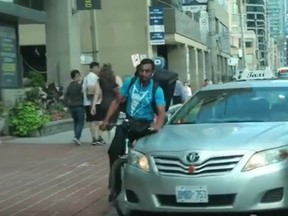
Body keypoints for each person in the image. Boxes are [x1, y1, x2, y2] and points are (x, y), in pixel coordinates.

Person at [100, 58, 166, 199]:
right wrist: (106, 120)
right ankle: (115, 187)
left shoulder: (156, 89)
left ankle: (148, 187)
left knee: (145, 158)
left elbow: (161, 113)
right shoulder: (130, 83)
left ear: (152, 73)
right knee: (113, 151)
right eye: (141, 70)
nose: (144, 73)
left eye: (147, 71)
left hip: (145, 126)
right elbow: (117, 101)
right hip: (128, 122)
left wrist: (157, 126)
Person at [91, 64, 119, 142]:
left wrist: (93, 105)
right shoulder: (116, 78)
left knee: (106, 122)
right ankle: (114, 140)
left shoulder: (99, 80)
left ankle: (110, 140)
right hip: (114, 103)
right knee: (113, 123)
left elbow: (96, 93)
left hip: (104, 103)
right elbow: (122, 89)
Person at [82, 61, 104, 145]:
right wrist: (93, 104)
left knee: (92, 120)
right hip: (95, 102)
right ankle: (98, 138)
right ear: (93, 68)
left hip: (88, 103)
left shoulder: (86, 78)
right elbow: (92, 90)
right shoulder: (92, 77)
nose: (98, 69)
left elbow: (83, 90)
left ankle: (95, 138)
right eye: (97, 68)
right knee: (98, 120)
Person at [63, 69, 84, 145]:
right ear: (76, 76)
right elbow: (82, 95)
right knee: (80, 122)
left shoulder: (69, 86)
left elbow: (66, 96)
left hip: (72, 106)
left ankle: (76, 136)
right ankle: (77, 137)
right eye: (78, 76)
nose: (79, 77)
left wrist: (66, 105)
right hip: (79, 105)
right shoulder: (79, 86)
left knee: (75, 122)